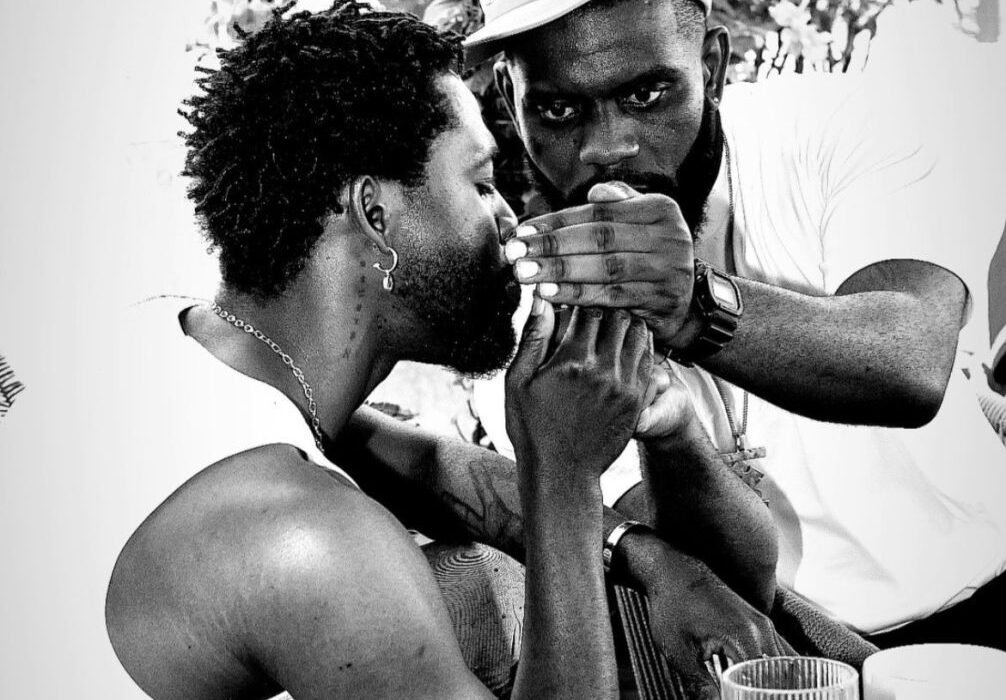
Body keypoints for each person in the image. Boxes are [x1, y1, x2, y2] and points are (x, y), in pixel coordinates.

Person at [99, 4, 787, 698]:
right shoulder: (309, 541)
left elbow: (431, 467)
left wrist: (651, 558)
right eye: (481, 185)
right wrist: (562, 475)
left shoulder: (184, 358)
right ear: (375, 215)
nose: (510, 221)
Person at [463, 0, 1006, 648]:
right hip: (764, 653)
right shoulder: (530, 304)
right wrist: (669, 434)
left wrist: (692, 303)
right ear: (510, 97)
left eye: (645, 94)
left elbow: (911, 359)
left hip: (976, 619)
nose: (606, 148)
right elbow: (700, 568)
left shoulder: (847, 124)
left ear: (712, 66)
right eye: (558, 110)